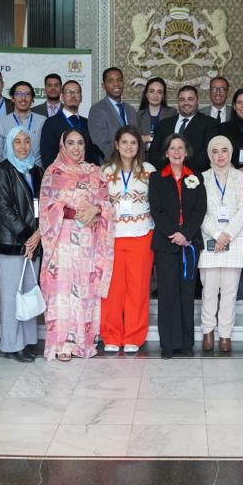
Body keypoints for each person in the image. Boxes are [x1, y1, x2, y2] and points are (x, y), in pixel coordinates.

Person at [39, 128, 115, 360]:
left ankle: (83, 343)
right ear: (63, 146)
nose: (76, 147)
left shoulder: (96, 172)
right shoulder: (54, 172)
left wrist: (97, 209)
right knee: (63, 291)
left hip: (89, 241)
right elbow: (45, 207)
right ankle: (62, 345)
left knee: (85, 290)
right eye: (70, 143)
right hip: (62, 240)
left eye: (80, 143)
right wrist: (69, 210)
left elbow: (109, 204)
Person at [150, 134, 207, 358]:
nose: (176, 152)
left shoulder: (195, 177)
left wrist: (185, 234)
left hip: (189, 243)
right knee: (167, 294)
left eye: (180, 148)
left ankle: (186, 343)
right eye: (172, 148)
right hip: (166, 244)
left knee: (186, 293)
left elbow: (199, 210)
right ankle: (168, 344)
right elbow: (157, 210)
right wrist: (174, 233)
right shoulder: (156, 178)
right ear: (166, 153)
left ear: (186, 152)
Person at [100, 126, 155, 354]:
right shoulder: (105, 171)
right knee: (113, 290)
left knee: (138, 288)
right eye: (125, 142)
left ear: (139, 146)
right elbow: (99, 203)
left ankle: (134, 335)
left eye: (133, 143)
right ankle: (111, 335)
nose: (129, 147)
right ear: (116, 144)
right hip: (112, 236)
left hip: (142, 234)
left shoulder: (149, 170)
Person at [0, 126, 43, 363]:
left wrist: (38, 235)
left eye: (26, 141)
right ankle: (12, 345)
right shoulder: (2, 171)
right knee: (13, 297)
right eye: (17, 142)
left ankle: (27, 341)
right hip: (12, 244)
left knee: (29, 294)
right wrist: (27, 237)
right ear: (9, 146)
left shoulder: (37, 171)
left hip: (35, 243)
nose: (22, 147)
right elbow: (4, 208)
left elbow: (44, 205)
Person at [199, 135, 243, 352]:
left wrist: (227, 234)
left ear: (230, 153)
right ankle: (208, 331)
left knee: (229, 292)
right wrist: (217, 234)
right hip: (210, 240)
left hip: (234, 241)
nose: (220, 155)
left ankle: (225, 334)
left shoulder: (241, 177)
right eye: (215, 151)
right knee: (209, 291)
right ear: (210, 154)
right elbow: (200, 211)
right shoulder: (202, 178)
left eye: (224, 150)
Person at [148, 85, 216, 174]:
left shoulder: (210, 123)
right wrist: (170, 170)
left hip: (196, 177)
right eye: (182, 99)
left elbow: (207, 154)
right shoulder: (164, 124)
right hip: (165, 177)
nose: (186, 103)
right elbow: (153, 153)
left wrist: (181, 170)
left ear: (197, 101)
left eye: (190, 99)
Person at [39, 80, 101, 169]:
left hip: (86, 178)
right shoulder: (51, 123)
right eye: (69, 92)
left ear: (81, 98)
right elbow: (47, 157)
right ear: (62, 97)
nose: (73, 95)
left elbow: (93, 156)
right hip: (61, 179)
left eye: (76, 92)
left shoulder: (88, 123)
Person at [0, 81, 44, 166]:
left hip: (36, 174)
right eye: (19, 94)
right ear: (12, 98)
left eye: (27, 94)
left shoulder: (42, 121)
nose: (23, 98)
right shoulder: (2, 123)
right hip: (11, 175)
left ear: (32, 99)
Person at [88, 66, 131, 160]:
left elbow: (136, 139)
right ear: (103, 86)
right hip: (110, 166)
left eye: (119, 80)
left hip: (132, 166)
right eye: (111, 81)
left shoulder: (130, 110)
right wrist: (120, 161)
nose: (116, 84)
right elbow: (100, 143)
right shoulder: (97, 110)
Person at [136, 76, 176, 150]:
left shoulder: (172, 113)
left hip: (164, 157)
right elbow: (136, 140)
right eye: (151, 91)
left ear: (163, 96)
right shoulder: (138, 115)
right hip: (143, 157)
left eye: (159, 92)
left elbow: (171, 138)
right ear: (146, 94)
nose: (155, 95)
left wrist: (147, 138)